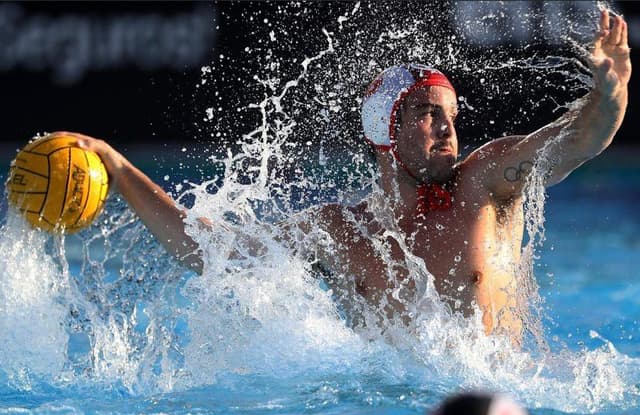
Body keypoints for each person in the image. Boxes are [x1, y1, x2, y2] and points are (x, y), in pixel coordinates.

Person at [59, 9, 630, 343]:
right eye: (429, 114)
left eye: (452, 117)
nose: (448, 130)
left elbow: (579, 141)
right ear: (386, 132)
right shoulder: (341, 230)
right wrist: (117, 165)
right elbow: (205, 247)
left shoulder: (485, 184)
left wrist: (609, 94)